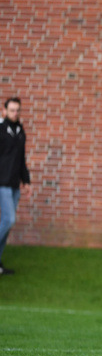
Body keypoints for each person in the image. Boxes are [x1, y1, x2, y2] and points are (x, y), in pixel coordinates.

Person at [0, 97, 30, 275]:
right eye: (11, 110)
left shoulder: (20, 131)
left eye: (17, 110)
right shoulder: (1, 130)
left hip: (14, 184)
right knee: (9, 219)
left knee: (7, 225)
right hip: (1, 182)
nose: (15, 113)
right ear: (4, 111)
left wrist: (26, 181)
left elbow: (21, 160)